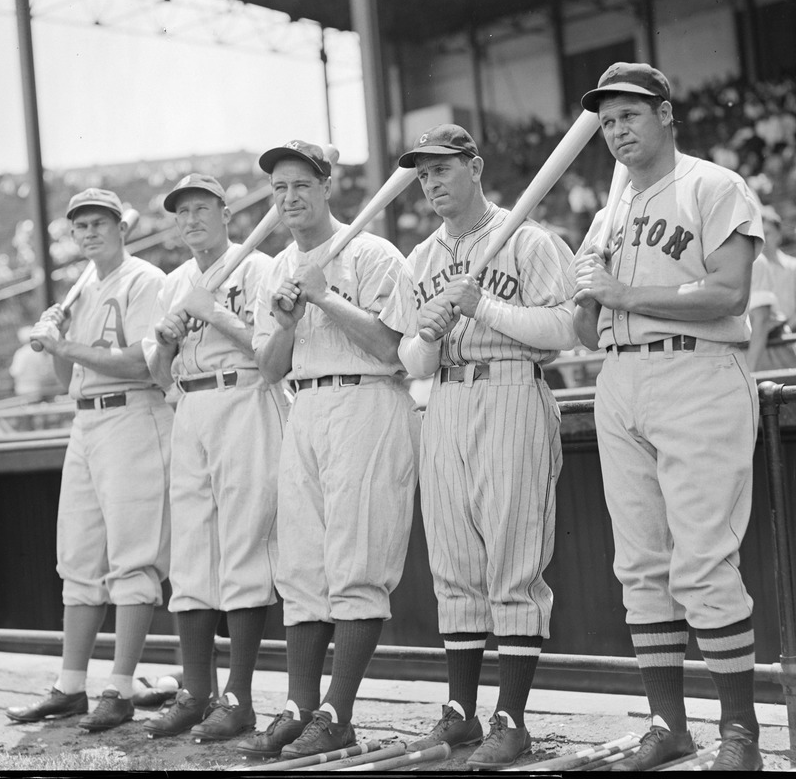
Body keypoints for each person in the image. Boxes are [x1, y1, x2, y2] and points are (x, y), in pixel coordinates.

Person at [571, 62, 765, 771]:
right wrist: (588, 295)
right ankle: (666, 725)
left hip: (695, 372)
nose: (617, 130)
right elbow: (587, 330)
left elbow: (728, 294)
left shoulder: (712, 185)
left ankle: (738, 732)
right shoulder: (606, 211)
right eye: (607, 120)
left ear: (664, 115)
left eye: (630, 114)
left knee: (704, 560)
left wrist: (621, 292)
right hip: (618, 377)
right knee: (640, 565)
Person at [384, 124, 578, 770]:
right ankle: (461, 712)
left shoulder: (528, 237)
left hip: (511, 390)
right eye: (423, 174)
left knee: (512, 561)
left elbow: (564, 329)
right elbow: (408, 358)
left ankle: (511, 719)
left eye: (443, 169)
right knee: (454, 562)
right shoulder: (418, 258)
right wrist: (430, 332)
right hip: (444, 396)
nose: (432, 182)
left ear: (475, 167)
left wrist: (483, 307)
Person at [235, 140, 420, 760]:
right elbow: (266, 367)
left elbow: (393, 349)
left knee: (356, 558)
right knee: (304, 565)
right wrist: (287, 320)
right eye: (278, 189)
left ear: (326, 186)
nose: (288, 199)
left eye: (299, 186)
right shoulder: (275, 266)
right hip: (305, 405)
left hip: (367, 400)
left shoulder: (372, 252)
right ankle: (301, 704)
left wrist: (321, 296)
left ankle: (338, 713)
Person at [5, 188, 173, 732]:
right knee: (76, 561)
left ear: (120, 227)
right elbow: (66, 380)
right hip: (86, 420)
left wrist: (62, 347)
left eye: (100, 222)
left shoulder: (145, 280)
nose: (91, 232)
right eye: (81, 226)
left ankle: (119, 690)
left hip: (133, 416)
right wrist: (56, 337)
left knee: (133, 559)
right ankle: (70, 686)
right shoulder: (78, 293)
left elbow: (142, 365)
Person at [140, 174, 288, 742]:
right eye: (183, 212)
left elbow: (272, 351)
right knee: (192, 554)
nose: (192, 219)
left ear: (226, 213)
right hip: (190, 406)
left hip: (244, 396)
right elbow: (158, 376)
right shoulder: (173, 282)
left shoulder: (258, 267)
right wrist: (169, 341)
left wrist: (213, 311)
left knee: (246, 545)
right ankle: (195, 692)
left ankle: (239, 697)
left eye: (203, 208)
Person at [745, 205, 796, 372]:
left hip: (782, 338)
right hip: (755, 343)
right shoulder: (749, 267)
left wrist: (788, 328)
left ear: (779, 235)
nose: (763, 238)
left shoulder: (794, 266)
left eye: (768, 233)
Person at [10, 326, 66, 399]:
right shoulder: (41, 351)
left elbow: (15, 372)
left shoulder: (21, 353)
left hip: (26, 390)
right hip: (41, 389)